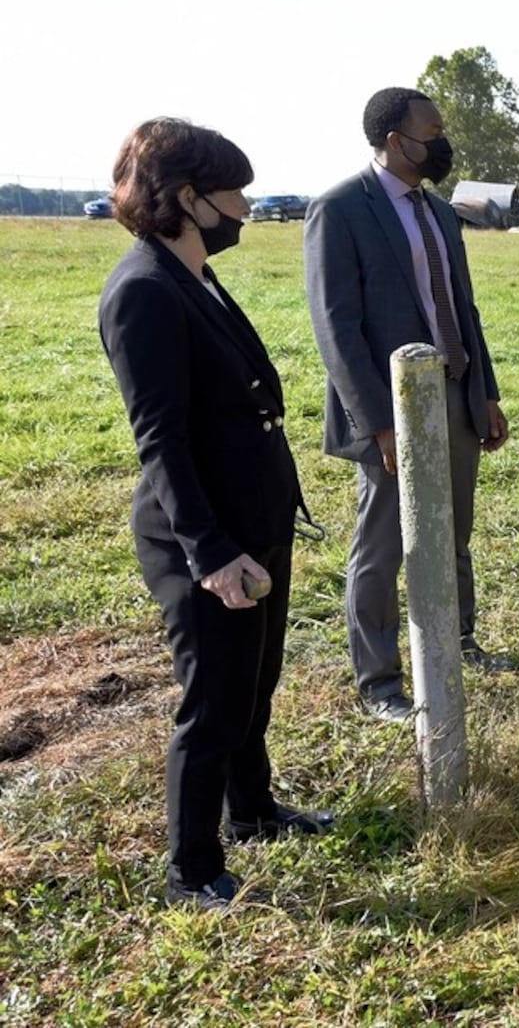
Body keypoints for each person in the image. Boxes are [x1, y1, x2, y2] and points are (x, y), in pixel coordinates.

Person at [97, 118, 333, 911]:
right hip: (204, 534)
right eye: (236, 192)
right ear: (189, 198)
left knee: (256, 680)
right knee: (215, 697)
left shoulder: (194, 274)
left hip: (251, 517)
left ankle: (254, 811)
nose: (248, 206)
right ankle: (191, 867)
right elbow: (159, 438)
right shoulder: (142, 291)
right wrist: (210, 552)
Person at [305, 87, 512, 723]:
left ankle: (458, 639)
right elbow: (334, 325)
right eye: (433, 131)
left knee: (452, 531)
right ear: (396, 140)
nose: (443, 142)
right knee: (382, 544)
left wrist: (488, 391)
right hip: (393, 410)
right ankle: (379, 681)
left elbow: (464, 308)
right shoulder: (340, 209)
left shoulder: (440, 213)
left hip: (453, 393)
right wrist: (380, 425)